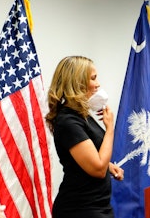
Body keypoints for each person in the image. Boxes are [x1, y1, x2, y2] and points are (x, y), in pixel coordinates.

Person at [45, 56, 124, 218]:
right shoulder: (67, 121)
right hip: (80, 209)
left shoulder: (80, 115)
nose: (98, 84)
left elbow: (87, 159)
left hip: (98, 205)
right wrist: (110, 129)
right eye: (93, 78)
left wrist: (108, 165)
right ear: (78, 82)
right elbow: (97, 170)